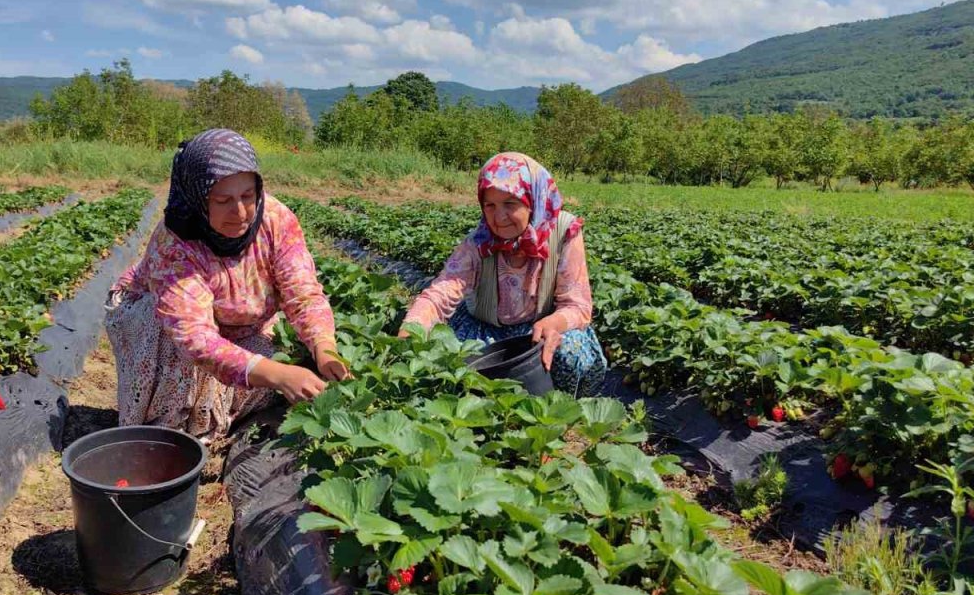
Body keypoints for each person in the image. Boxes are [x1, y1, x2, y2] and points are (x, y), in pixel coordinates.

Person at [106, 129, 348, 438]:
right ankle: (165, 435)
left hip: (240, 323)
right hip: (158, 318)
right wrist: (276, 374)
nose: (240, 212)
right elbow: (193, 337)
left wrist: (324, 347)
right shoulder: (177, 242)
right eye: (222, 200)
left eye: (248, 195)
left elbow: (302, 293)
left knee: (274, 363)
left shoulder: (275, 220)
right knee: (177, 350)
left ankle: (213, 423)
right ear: (198, 198)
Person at [401, 152, 607, 397]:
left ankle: (563, 407)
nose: (499, 217)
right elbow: (441, 291)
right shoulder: (479, 242)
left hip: (542, 329)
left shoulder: (563, 232)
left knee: (569, 350)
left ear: (533, 200)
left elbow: (578, 305)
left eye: (510, 203)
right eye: (490, 205)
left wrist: (553, 323)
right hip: (485, 329)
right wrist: (410, 330)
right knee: (454, 364)